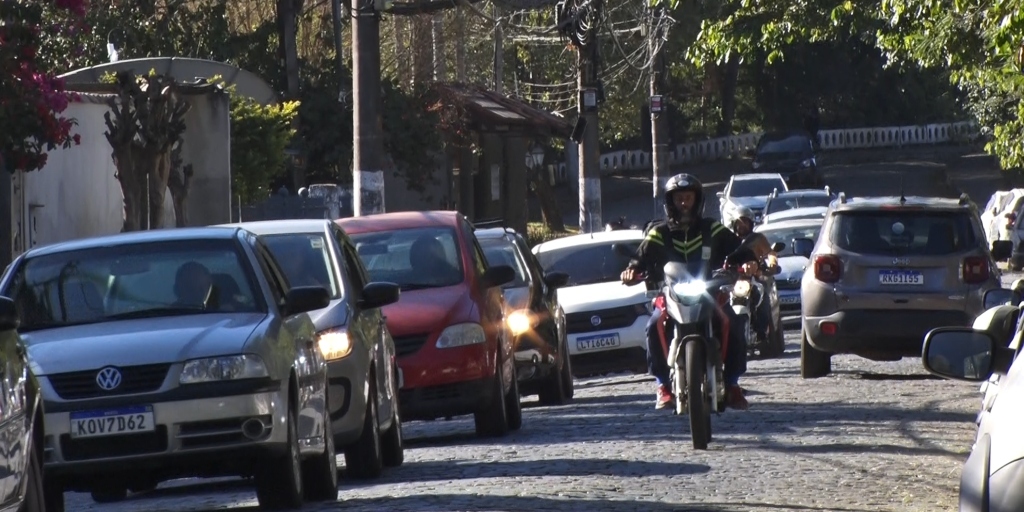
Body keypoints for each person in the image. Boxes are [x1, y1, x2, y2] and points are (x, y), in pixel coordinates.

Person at [621, 173, 753, 411]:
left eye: (688, 198)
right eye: (679, 198)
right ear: (670, 202)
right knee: (653, 325)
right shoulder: (658, 233)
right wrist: (631, 270)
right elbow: (639, 257)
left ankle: (733, 384)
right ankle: (662, 385)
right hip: (670, 295)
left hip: (709, 292)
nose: (684, 203)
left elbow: (739, 249)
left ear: (697, 200)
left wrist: (749, 262)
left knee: (733, 322)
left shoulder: (711, 228)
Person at [730, 206, 777, 342]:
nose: (742, 225)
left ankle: (761, 331)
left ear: (751, 224)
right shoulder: (728, 239)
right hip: (731, 279)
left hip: (754, 277)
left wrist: (772, 264)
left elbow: (770, 253)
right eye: (738, 222)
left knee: (763, 297)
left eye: (745, 222)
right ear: (733, 224)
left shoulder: (758, 239)